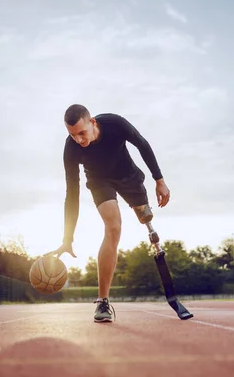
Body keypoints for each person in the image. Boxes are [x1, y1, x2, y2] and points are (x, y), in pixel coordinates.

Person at [48, 104, 170, 322]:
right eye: (72, 135)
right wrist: (68, 238)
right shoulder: (71, 149)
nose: (79, 139)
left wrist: (159, 180)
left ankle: (149, 225)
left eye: (82, 133)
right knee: (113, 227)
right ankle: (103, 302)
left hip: (128, 176)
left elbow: (142, 144)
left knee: (145, 217)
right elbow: (72, 194)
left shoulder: (114, 123)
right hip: (99, 181)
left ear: (92, 122)